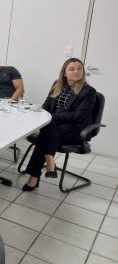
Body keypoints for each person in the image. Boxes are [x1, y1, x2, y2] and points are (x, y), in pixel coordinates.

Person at [22, 58, 96, 191]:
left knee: (45, 135)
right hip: (53, 126)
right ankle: (48, 161)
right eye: (72, 69)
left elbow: (78, 116)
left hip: (74, 128)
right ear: (64, 73)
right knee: (48, 130)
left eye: (79, 68)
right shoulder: (57, 84)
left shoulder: (88, 91)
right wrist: (36, 111)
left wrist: (51, 117)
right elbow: (46, 105)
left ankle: (35, 175)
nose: (76, 71)